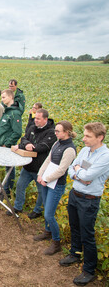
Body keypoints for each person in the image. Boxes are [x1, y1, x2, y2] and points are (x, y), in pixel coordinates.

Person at [60, 122, 109, 286]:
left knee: (87, 234)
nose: (83, 138)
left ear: (100, 137)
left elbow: (88, 176)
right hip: (75, 195)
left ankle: (89, 270)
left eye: (88, 136)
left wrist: (80, 172)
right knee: (74, 226)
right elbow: (71, 169)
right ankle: (75, 254)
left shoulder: (105, 156)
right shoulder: (84, 150)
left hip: (89, 200)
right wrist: (80, 174)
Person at [34, 121, 77, 255]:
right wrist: (40, 174)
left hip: (56, 184)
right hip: (47, 181)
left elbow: (62, 170)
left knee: (49, 214)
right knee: (46, 207)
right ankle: (47, 232)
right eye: (55, 131)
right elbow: (48, 160)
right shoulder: (57, 143)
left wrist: (46, 179)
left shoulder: (70, 149)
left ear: (67, 132)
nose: (55, 133)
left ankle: (56, 241)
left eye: (58, 131)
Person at [8, 109, 56, 218]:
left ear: (45, 119)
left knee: (41, 191)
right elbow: (24, 139)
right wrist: (27, 144)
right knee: (20, 186)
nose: (36, 121)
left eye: (38, 119)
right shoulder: (32, 128)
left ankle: (37, 210)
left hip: (40, 168)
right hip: (28, 166)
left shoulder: (51, 132)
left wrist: (31, 146)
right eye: (35, 118)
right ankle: (18, 207)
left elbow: (43, 146)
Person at [0, 89, 22, 196]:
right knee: (7, 167)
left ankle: (7, 191)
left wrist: (7, 143)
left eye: (4, 97)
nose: (2, 99)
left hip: (6, 146)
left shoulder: (15, 113)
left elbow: (17, 132)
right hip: (1, 144)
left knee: (10, 168)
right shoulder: (7, 111)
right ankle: (4, 188)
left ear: (11, 97)